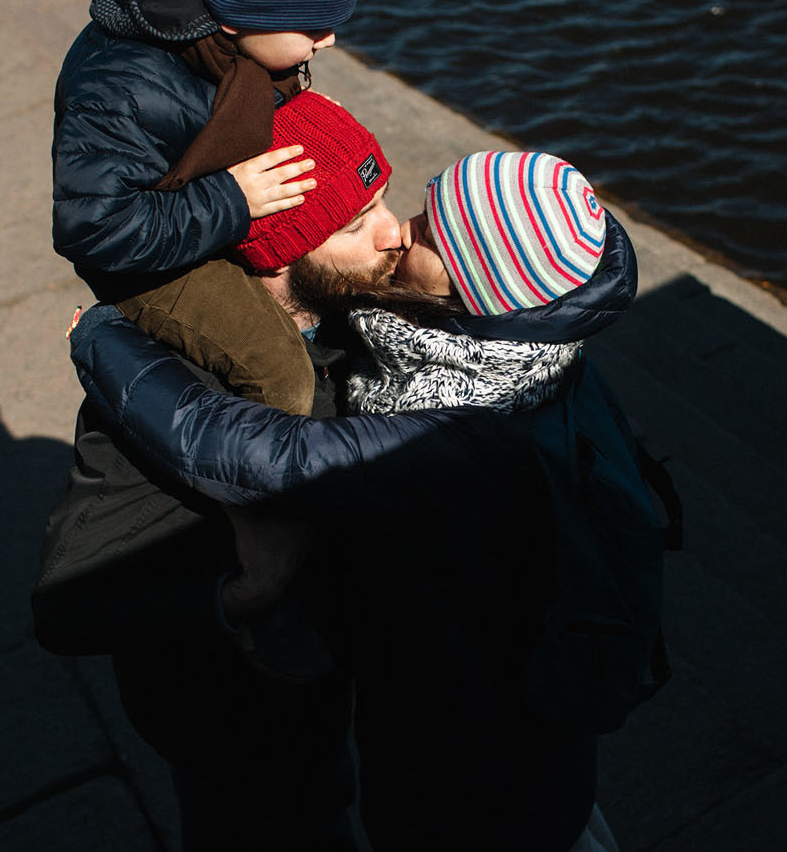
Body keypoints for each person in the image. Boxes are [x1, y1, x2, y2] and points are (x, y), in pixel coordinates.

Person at [68, 151, 671, 851]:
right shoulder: (538, 350)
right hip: (529, 711)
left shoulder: (469, 431)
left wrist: (103, 336)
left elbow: (248, 452)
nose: (400, 232)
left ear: (476, 288)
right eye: (422, 210)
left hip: (473, 760)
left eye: (431, 237)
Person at [34, 92, 403, 852]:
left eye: (384, 202)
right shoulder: (174, 396)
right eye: (354, 224)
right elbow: (67, 610)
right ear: (279, 250)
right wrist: (244, 593)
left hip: (322, 693)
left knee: (327, 804)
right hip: (229, 729)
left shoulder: (341, 319)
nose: (393, 234)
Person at [52, 0, 368, 415]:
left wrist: (302, 113)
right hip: (148, 262)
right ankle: (244, 487)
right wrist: (232, 199)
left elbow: (239, 104)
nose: (329, 42)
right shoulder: (120, 88)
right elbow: (93, 229)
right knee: (281, 374)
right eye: (314, 27)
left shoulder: (229, 38)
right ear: (235, 14)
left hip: (203, 204)